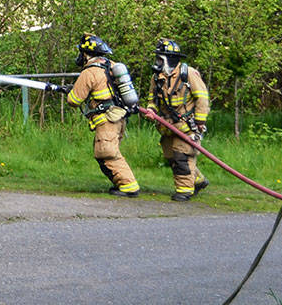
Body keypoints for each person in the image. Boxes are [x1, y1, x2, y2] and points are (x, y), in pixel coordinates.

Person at [66, 34, 140, 197]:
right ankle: (123, 184)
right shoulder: (111, 66)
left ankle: (129, 186)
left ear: (86, 54)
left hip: (107, 120)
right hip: (118, 118)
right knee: (107, 153)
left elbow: (74, 100)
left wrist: (70, 92)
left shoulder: (89, 72)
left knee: (106, 153)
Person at [149, 38, 210, 202]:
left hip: (187, 126)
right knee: (171, 155)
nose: (157, 62)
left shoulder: (188, 74)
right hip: (168, 126)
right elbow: (152, 99)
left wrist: (200, 122)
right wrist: (150, 110)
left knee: (182, 156)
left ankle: (185, 191)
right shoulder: (157, 77)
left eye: (160, 59)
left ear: (170, 59)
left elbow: (202, 98)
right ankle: (197, 180)